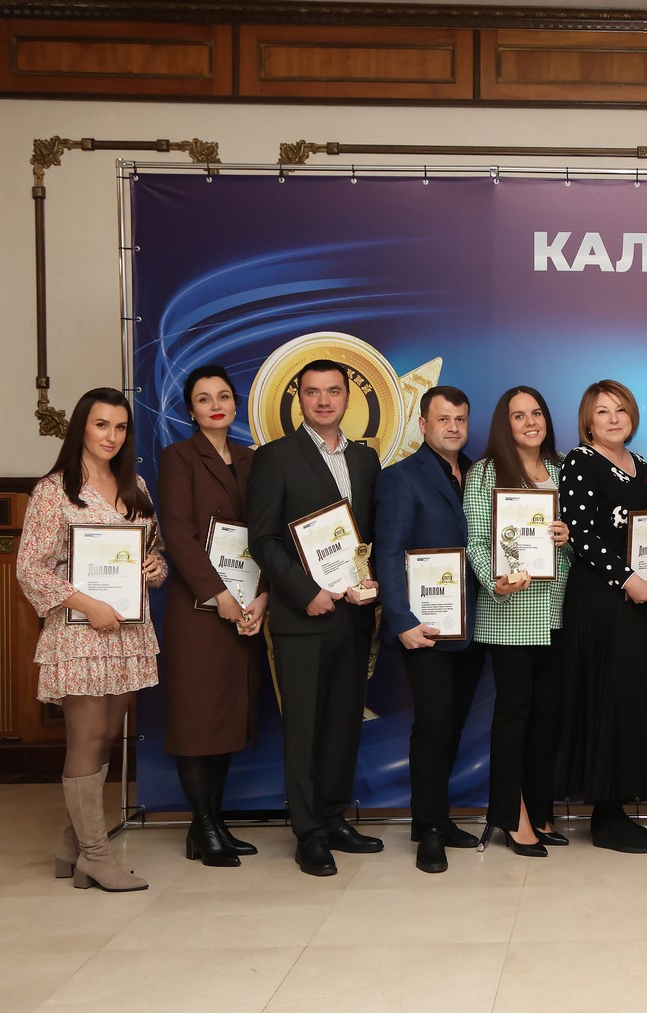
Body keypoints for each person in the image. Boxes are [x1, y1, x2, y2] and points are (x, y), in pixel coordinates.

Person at [16, 387, 167, 892]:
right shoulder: (53, 490)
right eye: (102, 425)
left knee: (105, 737)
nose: (111, 436)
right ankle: (97, 856)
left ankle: (72, 845)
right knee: (86, 737)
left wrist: (155, 567)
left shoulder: (135, 484)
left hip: (127, 634)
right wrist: (87, 603)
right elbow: (30, 569)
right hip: (80, 633)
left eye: (120, 427)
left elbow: (154, 552)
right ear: (81, 426)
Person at [247, 358, 382, 877]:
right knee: (304, 726)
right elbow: (263, 539)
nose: (324, 400)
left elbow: (369, 537)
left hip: (354, 614)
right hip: (304, 615)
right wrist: (306, 593)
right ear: (298, 399)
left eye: (333, 391)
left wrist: (370, 585)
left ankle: (333, 817)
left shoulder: (366, 460)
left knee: (343, 723)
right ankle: (308, 833)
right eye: (312, 391)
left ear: (348, 398)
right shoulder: (275, 457)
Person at [558, 380, 647, 853]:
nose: (613, 419)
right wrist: (628, 579)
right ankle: (604, 818)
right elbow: (581, 534)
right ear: (588, 421)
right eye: (602, 411)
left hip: (643, 602)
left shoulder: (644, 467)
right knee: (607, 701)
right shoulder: (581, 461)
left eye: (621, 410)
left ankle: (619, 808)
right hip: (601, 602)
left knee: (632, 701)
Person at [375, 385, 491, 873]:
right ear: (422, 424)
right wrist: (401, 621)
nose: (453, 427)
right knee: (433, 725)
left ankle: (439, 819)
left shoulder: (480, 476)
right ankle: (427, 830)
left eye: (460, 419)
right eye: (443, 419)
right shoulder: (401, 478)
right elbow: (388, 552)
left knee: (452, 725)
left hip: (474, 625)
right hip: (424, 627)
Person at [157, 365, 268, 868]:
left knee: (226, 717)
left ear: (235, 404)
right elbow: (178, 534)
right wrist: (218, 594)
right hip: (199, 611)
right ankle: (202, 826)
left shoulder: (252, 459)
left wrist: (261, 596)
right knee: (197, 717)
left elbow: (265, 532)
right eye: (204, 399)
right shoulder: (178, 458)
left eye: (223, 396)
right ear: (191, 410)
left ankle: (213, 825)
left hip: (245, 607)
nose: (216, 405)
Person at [463, 386, 573, 858]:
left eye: (537, 413)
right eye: (519, 415)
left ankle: (541, 808)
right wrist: (496, 582)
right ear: (504, 425)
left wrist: (567, 538)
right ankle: (511, 815)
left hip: (557, 611)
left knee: (548, 716)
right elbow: (476, 541)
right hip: (510, 613)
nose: (530, 422)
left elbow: (579, 543)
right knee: (515, 713)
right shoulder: (486, 472)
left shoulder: (564, 469)